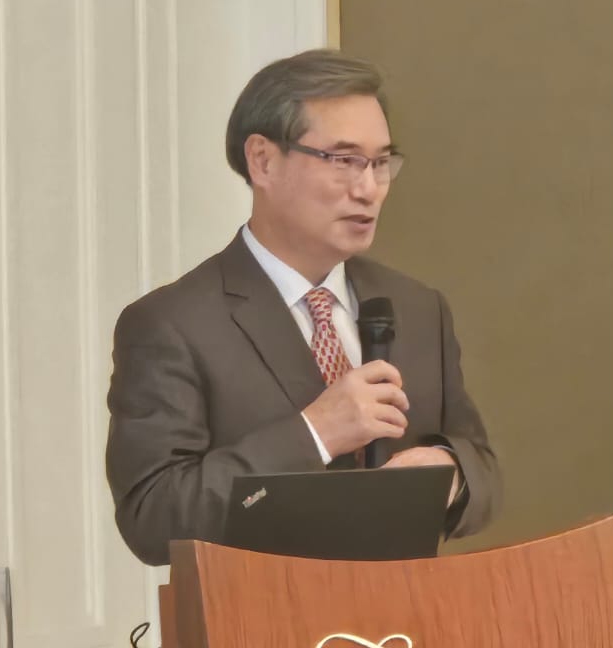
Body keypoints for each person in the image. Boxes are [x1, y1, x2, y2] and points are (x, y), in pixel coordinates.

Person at [105, 49, 500, 566]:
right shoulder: (172, 325)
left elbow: (482, 469)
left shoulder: (418, 308)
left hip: (407, 608)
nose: (368, 189)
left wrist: (448, 474)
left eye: (380, 163)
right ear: (263, 161)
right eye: (343, 161)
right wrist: (315, 434)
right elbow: (155, 519)